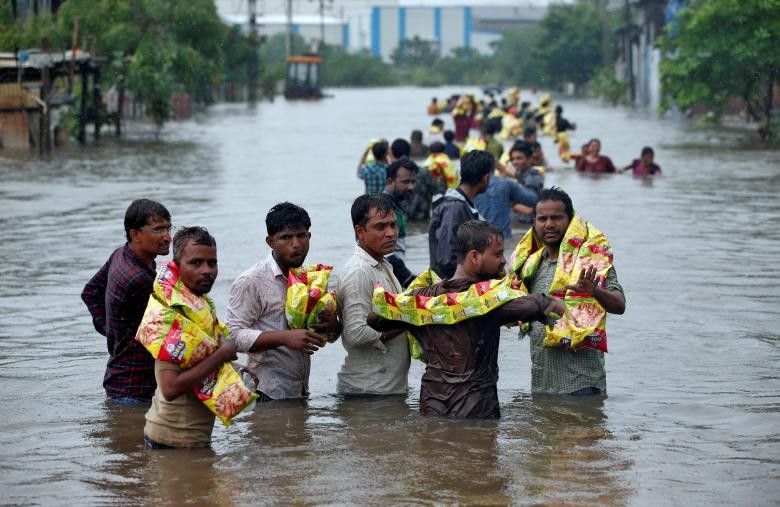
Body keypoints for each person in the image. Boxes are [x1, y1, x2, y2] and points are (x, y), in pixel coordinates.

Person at [368, 220, 565, 418]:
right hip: (476, 410)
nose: (504, 261)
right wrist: (552, 303)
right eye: (497, 254)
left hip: (433, 406)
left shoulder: (423, 298)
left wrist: (415, 317)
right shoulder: (488, 302)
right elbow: (531, 305)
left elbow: (376, 319)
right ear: (474, 257)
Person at [226, 202, 340, 402]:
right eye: (286, 237)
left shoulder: (311, 278)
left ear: (309, 237)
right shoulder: (251, 281)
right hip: (266, 394)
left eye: (301, 236)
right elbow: (232, 336)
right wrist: (284, 338)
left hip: (299, 392)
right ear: (270, 241)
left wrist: (333, 327)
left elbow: (325, 335)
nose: (296, 244)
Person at [519, 187, 625, 395]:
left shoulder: (590, 260)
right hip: (542, 385)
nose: (549, 224)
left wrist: (595, 292)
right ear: (534, 223)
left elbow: (619, 305)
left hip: (582, 386)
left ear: (570, 220)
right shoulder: (530, 264)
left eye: (556, 218)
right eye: (542, 218)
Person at [142, 227, 237, 449]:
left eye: (212, 263)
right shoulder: (175, 314)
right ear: (176, 267)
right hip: (171, 442)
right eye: (196, 263)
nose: (207, 270)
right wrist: (222, 355)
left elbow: (193, 361)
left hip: (188, 439)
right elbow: (170, 388)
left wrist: (237, 368)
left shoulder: (199, 305)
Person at [81, 199, 172, 403]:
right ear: (135, 234)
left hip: (119, 379)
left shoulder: (121, 254)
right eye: (158, 230)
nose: (168, 237)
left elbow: (90, 292)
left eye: (168, 228)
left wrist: (115, 331)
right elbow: (167, 335)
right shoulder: (140, 279)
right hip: (137, 388)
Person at [336, 193, 410, 395]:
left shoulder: (383, 263)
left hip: (384, 389)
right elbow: (355, 334)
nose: (391, 233)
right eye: (381, 227)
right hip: (367, 393)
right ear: (360, 231)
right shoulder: (359, 271)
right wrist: (410, 322)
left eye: (393, 225)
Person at [428, 150, 493, 279]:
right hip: (453, 288)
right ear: (486, 178)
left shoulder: (462, 204)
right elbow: (447, 259)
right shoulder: (455, 207)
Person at [384, 157, 418, 287]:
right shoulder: (385, 210)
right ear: (390, 182)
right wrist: (411, 282)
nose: (411, 187)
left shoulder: (396, 204)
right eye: (405, 182)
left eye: (413, 181)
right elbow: (387, 255)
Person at [474, 170, 537, 238]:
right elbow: (532, 201)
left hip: (481, 237)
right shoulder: (505, 183)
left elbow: (529, 209)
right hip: (503, 236)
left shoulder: (470, 187)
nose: (515, 162)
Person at [403, 142, 450, 222]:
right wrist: (443, 178)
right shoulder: (424, 172)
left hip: (401, 220)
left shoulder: (391, 174)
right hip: (422, 219)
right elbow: (439, 194)